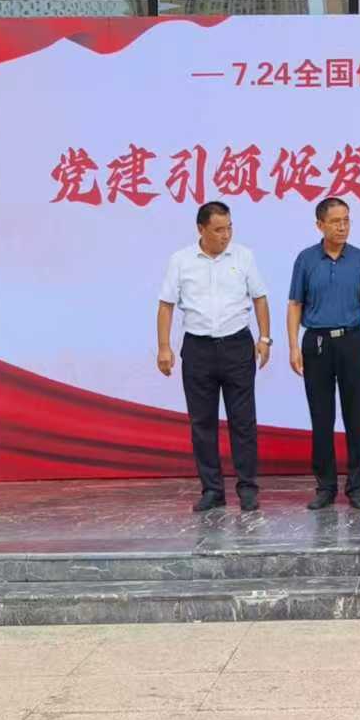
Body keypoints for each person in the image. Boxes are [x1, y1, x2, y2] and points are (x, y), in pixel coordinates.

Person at [157, 201, 271, 513]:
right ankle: (212, 490)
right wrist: (164, 347)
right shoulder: (181, 260)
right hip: (198, 349)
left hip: (237, 345)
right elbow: (166, 305)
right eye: (219, 229)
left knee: (243, 421)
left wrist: (264, 338)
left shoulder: (243, 256)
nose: (226, 235)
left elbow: (260, 298)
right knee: (202, 423)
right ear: (201, 229)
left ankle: (247, 489)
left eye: (229, 228)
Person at [288, 197, 360, 510]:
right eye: (335, 221)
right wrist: (293, 345)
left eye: (346, 220)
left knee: (356, 416)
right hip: (316, 343)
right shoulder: (306, 260)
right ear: (320, 225)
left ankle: (357, 486)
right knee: (321, 416)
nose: (342, 227)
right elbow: (295, 304)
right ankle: (325, 486)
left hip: (352, 341)